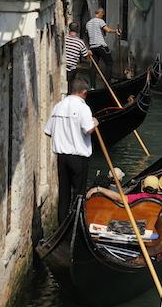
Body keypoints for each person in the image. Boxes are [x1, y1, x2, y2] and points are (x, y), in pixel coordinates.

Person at [44, 78, 99, 224]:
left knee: (64, 194)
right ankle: (76, 226)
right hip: (79, 159)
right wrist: (95, 123)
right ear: (84, 92)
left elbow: (48, 131)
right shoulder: (83, 108)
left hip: (62, 158)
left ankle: (62, 226)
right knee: (79, 195)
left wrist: (64, 134)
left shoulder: (58, 106)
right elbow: (88, 130)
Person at [86, 175, 162, 222]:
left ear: (143, 187)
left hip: (137, 228)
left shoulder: (137, 197)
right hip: (153, 231)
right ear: (157, 188)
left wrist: (98, 189)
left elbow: (118, 198)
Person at [86, 8, 121, 88]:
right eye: (103, 14)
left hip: (92, 47)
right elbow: (107, 30)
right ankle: (107, 84)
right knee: (109, 63)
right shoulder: (100, 21)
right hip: (101, 46)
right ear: (100, 13)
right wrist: (116, 31)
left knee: (94, 67)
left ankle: (92, 86)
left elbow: (87, 35)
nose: (103, 16)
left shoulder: (88, 23)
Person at [65, 22, 92, 94]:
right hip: (72, 69)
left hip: (64, 67)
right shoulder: (80, 42)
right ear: (77, 30)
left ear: (69, 29)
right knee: (70, 87)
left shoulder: (64, 39)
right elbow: (85, 56)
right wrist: (88, 53)